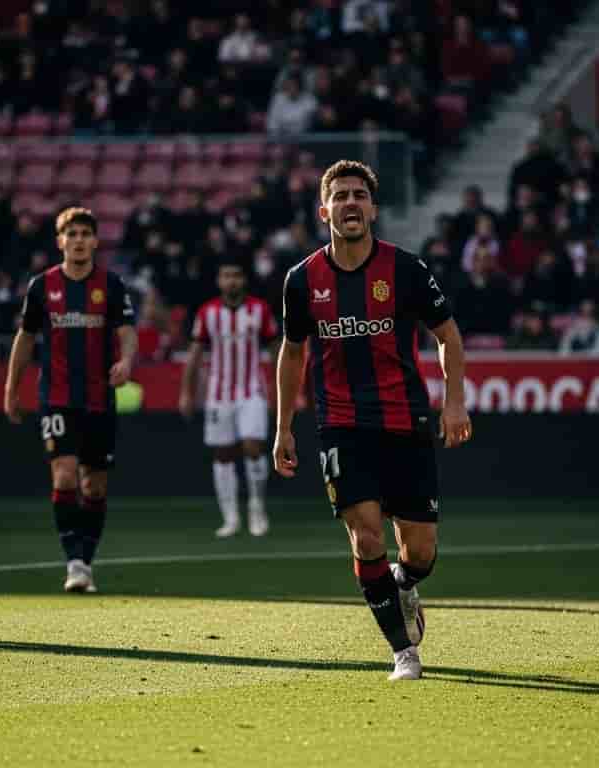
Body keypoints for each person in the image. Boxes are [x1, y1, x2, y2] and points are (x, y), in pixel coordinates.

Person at [273, 160, 471, 681]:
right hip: (341, 425)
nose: (350, 203)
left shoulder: (406, 269)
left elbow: (448, 335)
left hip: (406, 422)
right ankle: (404, 651)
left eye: (359, 195)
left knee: (420, 551)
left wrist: (454, 402)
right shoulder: (302, 280)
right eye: (340, 196)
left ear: (373, 208)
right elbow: (292, 353)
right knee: (365, 536)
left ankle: (404, 584)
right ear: (324, 211)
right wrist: (283, 427)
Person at [5, 207, 137, 593]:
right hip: (57, 397)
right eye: (71, 234)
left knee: (94, 486)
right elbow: (25, 338)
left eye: (85, 234)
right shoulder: (41, 286)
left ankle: (85, 562)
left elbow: (127, 331)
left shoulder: (111, 285)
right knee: (64, 474)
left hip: (99, 399)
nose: (78, 240)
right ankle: (74, 562)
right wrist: (11, 388)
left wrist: (127, 361)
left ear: (95, 241)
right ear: (60, 241)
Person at [179, 259, 278, 538]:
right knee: (222, 455)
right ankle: (231, 517)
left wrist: (281, 390)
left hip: (252, 391)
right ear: (219, 281)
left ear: (244, 280)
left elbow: (276, 350)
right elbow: (194, 356)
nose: (231, 281)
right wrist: (186, 393)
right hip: (218, 394)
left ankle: (257, 508)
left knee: (253, 447)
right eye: (226, 276)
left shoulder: (260, 310)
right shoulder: (207, 312)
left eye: (236, 275)